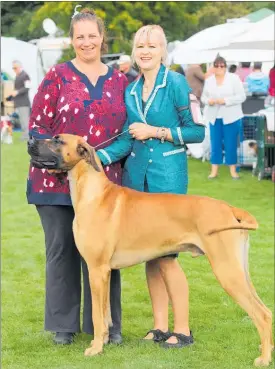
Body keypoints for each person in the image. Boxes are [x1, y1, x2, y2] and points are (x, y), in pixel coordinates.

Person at [97, 24, 205, 349]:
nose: (145, 51)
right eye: (140, 46)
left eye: (152, 46)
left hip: (168, 181)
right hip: (136, 182)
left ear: (163, 50)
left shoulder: (175, 83)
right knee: (151, 256)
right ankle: (160, 327)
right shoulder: (130, 91)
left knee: (169, 256)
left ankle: (182, 330)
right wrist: (92, 156)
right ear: (134, 51)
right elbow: (126, 140)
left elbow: (196, 132)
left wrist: (156, 131)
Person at [26, 8, 127, 346]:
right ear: (72, 40)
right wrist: (56, 162)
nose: (87, 42)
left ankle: (106, 326)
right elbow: (38, 127)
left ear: (102, 37)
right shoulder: (56, 76)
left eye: (92, 36)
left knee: (105, 252)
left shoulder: (118, 80)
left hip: (102, 184)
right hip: (54, 183)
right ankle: (63, 326)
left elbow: (125, 129)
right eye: (80, 36)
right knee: (61, 250)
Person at [201, 56, 246, 179]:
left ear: (225, 67)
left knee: (230, 143)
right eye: (216, 65)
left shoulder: (234, 79)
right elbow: (203, 97)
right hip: (214, 117)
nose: (219, 68)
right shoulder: (209, 80)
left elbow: (242, 96)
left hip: (231, 116)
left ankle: (233, 170)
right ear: (213, 67)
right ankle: (214, 171)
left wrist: (225, 100)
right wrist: (208, 101)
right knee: (215, 143)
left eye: (222, 65)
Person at [11, 60, 31, 140]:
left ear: (20, 67)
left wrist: (17, 92)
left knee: (25, 120)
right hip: (19, 102)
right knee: (22, 121)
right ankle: (25, 135)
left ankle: (26, 136)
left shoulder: (25, 75)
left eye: (15, 68)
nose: (14, 69)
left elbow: (27, 87)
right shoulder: (17, 76)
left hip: (24, 103)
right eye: (13, 68)